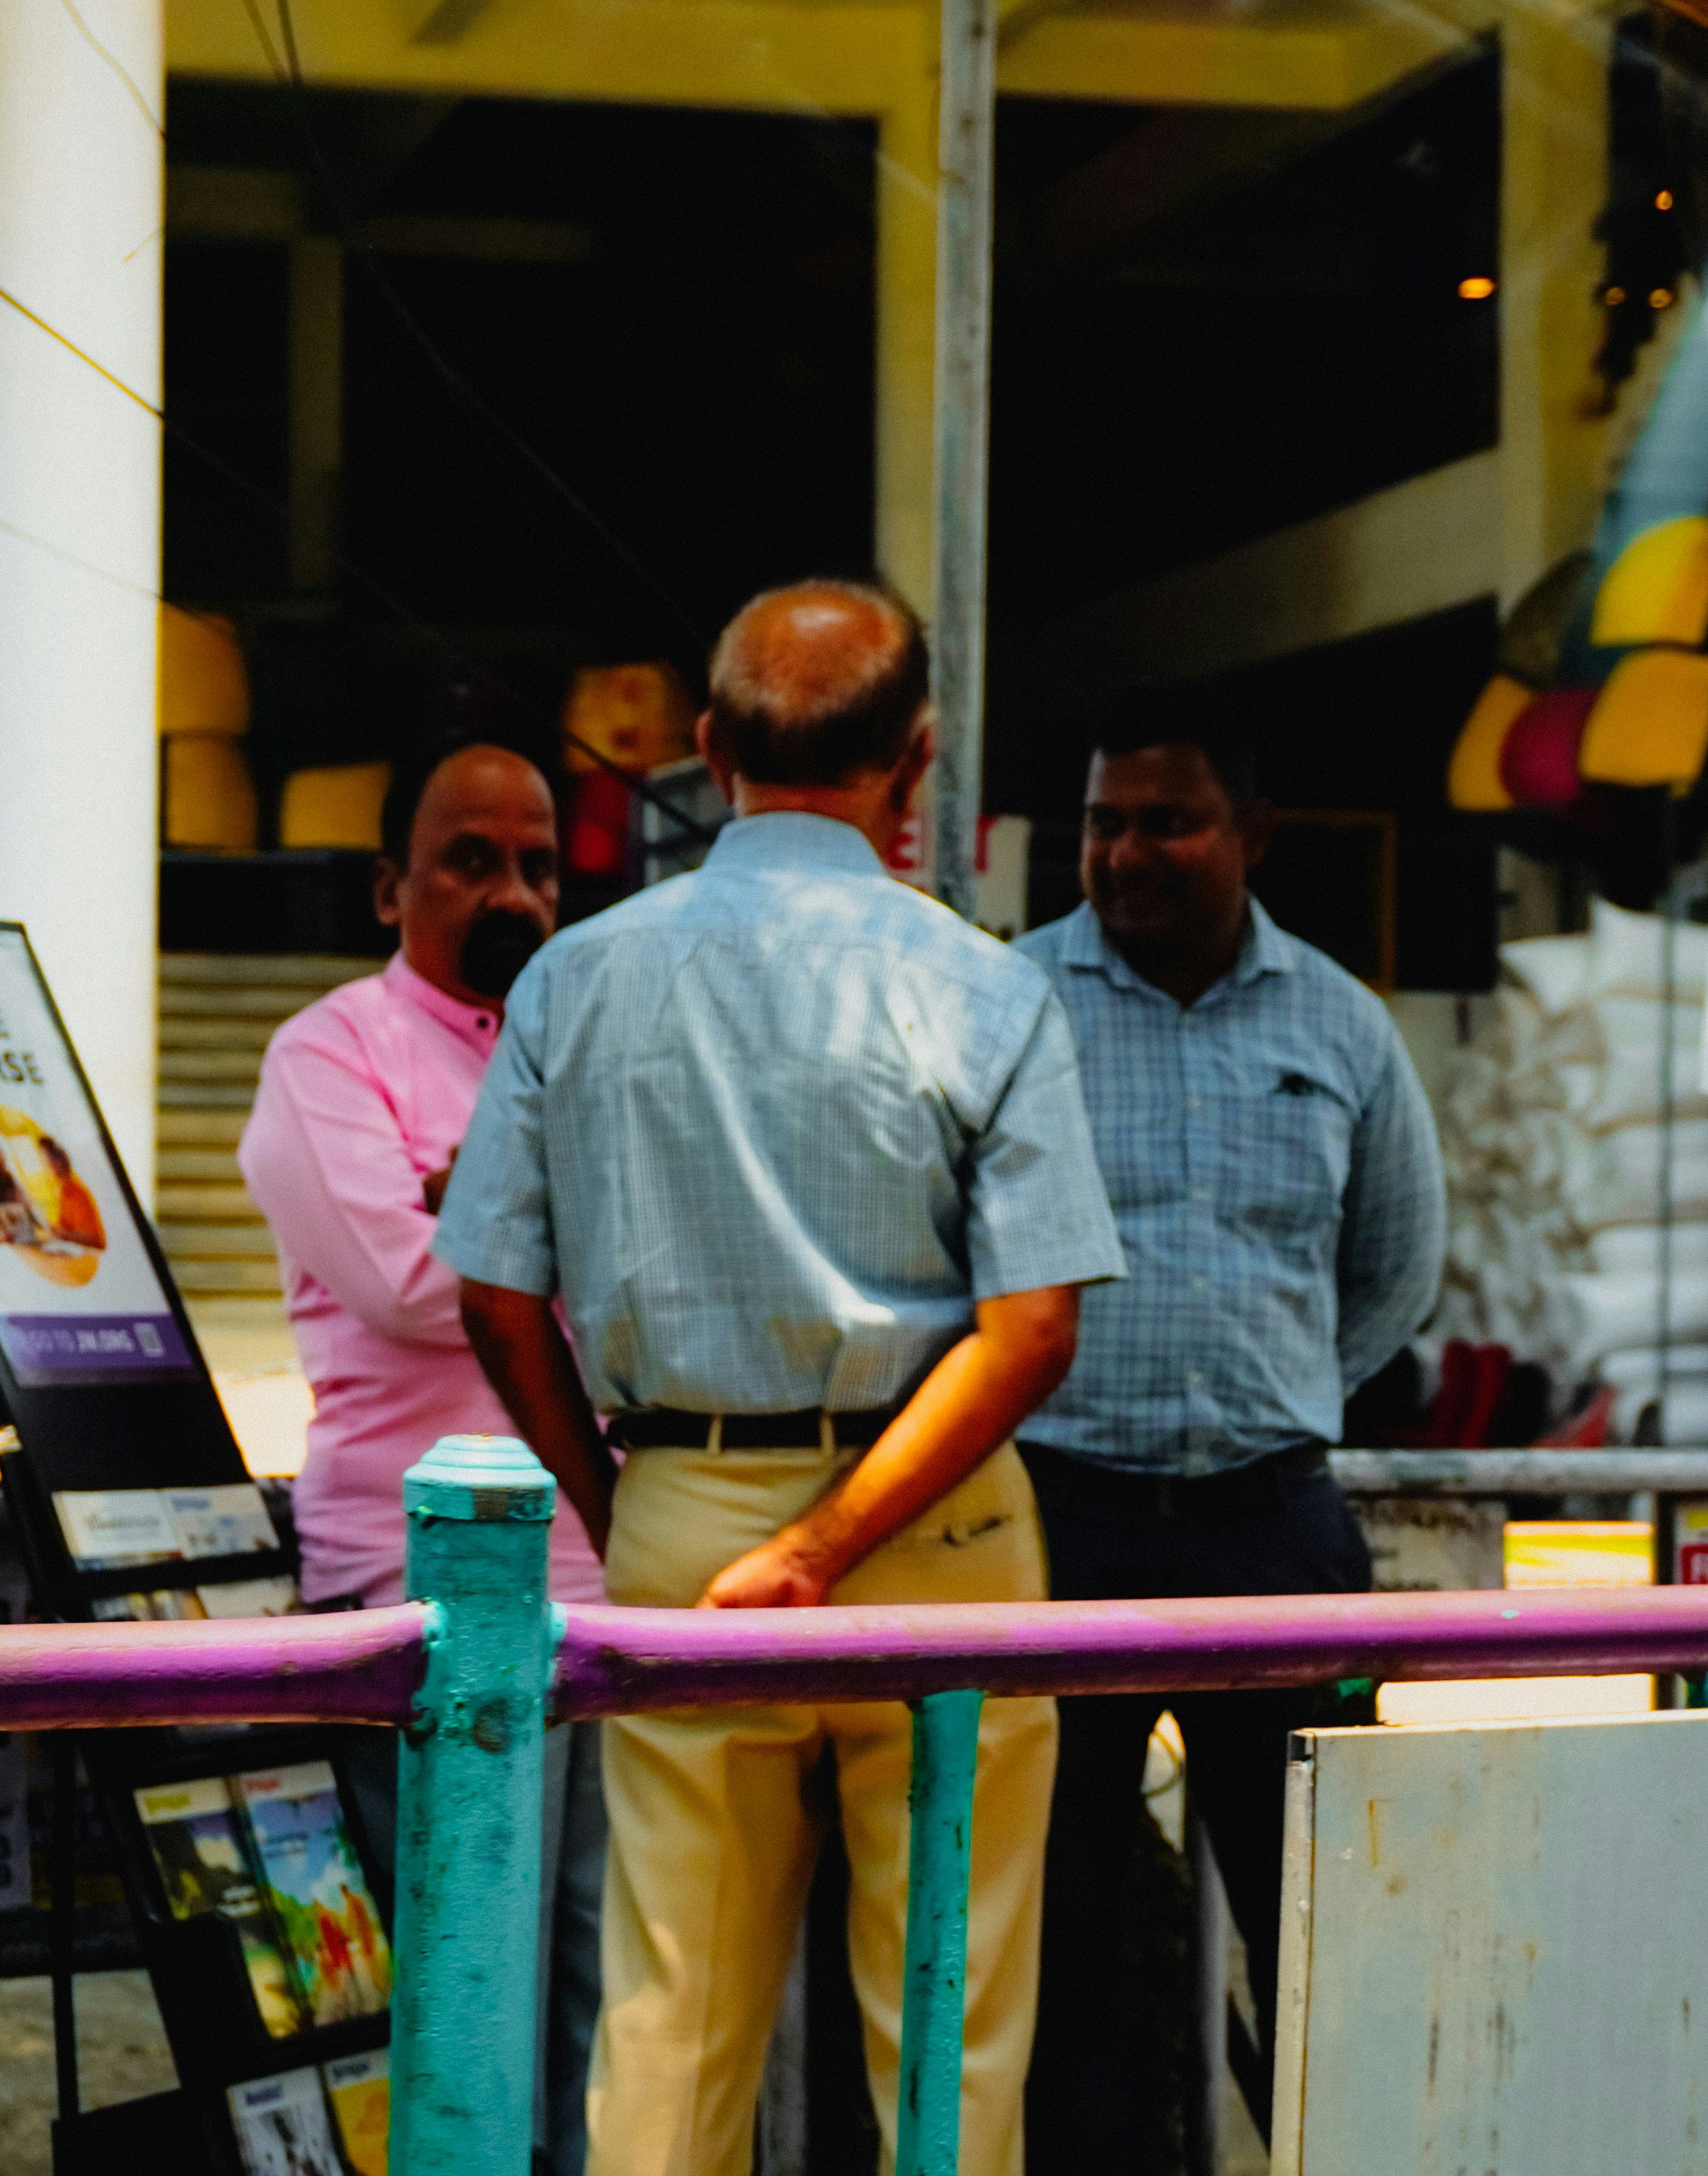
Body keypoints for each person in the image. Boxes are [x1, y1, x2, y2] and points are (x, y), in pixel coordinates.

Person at [438, 579, 1124, 2176]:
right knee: (955, 2034)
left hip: (680, 1518)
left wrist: (625, 1504)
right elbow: (1029, 1329)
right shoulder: (986, 984)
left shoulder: (578, 976)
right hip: (941, 1527)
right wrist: (823, 1546)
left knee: (668, 2023)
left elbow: (491, 1289)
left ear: (705, 747)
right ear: (918, 760)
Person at [1012, 711, 1444, 2172]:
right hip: (1060, 1525)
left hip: (1276, 1534)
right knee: (1054, 1920)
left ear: (1253, 833)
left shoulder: (1339, 1024)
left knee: (1325, 1906)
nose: (1123, 853)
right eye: (1102, 821)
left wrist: (1268, 1402)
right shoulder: (1009, 1007)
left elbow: (1393, 1268)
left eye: (1166, 821)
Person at [236, 733, 609, 2176]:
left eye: (535, 863)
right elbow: (406, 1283)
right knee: (463, 1981)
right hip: (413, 1590)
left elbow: (636, 1286)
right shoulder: (329, 1050)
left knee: (592, 1984)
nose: (508, 891)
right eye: (468, 858)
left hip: (600, 1580)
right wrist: (553, 1208)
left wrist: (483, 1195)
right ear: (393, 887)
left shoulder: (581, 1043)